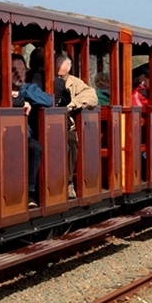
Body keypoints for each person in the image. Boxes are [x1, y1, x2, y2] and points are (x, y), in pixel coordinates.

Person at [53, 54, 98, 199]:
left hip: (66, 124)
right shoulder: (45, 78)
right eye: (57, 76)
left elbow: (92, 97)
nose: (59, 79)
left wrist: (72, 104)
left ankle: (68, 181)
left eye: (62, 76)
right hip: (48, 122)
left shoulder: (75, 82)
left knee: (72, 141)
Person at [11, 53, 52, 207]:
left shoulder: (29, 87)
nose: (18, 74)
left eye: (21, 70)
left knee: (34, 148)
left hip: (23, 135)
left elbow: (48, 100)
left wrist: (22, 94)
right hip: (2, 135)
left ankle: (28, 193)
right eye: (14, 70)